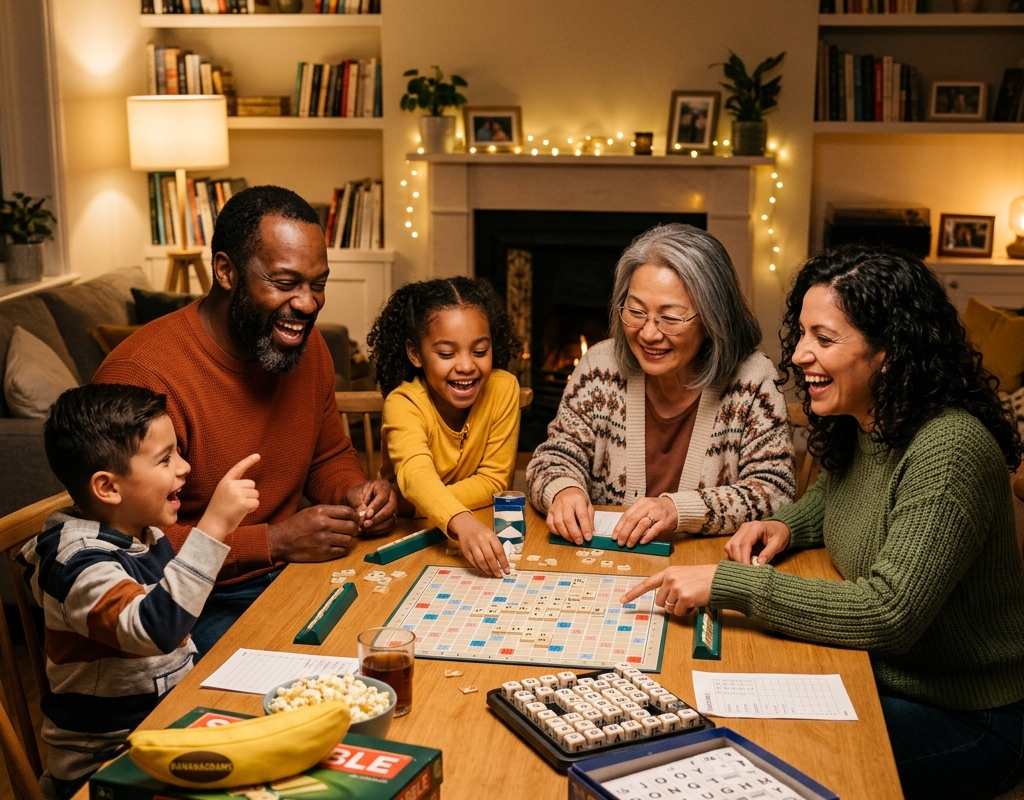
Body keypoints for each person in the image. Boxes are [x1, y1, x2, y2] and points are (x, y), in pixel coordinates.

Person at [622, 247, 1024, 800]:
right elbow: (837, 496)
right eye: (803, 333)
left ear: (889, 351)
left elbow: (888, 615)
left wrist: (727, 583)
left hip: (969, 716)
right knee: (713, 704)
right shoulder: (873, 422)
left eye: (825, 339)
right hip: (887, 675)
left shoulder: (949, 448)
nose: (801, 354)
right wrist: (783, 524)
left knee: (738, 749)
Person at [94, 185, 396, 655]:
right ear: (226, 271)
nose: (308, 303)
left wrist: (353, 494)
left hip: (292, 573)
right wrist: (273, 540)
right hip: (187, 603)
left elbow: (328, 453)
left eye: (318, 284)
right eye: (284, 282)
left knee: (400, 640)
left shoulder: (307, 349)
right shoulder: (141, 378)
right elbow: (122, 546)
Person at [18, 383, 259, 800]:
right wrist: (213, 528)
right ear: (109, 488)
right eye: (165, 459)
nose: (184, 468)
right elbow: (155, 628)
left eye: (177, 453)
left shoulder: (139, 530)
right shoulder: (78, 563)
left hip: (166, 724)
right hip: (101, 766)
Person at [527, 223, 795, 548]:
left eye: (670, 318)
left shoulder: (753, 380)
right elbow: (551, 458)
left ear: (713, 318)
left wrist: (677, 510)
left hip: (703, 568)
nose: (649, 334)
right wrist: (563, 489)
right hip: (605, 561)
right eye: (636, 312)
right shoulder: (600, 366)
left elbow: (775, 492)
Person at [368, 277, 522, 577]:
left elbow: (494, 481)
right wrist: (460, 521)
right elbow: (415, 476)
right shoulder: (403, 403)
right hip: (402, 536)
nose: (466, 366)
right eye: (447, 354)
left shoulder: (504, 388)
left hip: (452, 525)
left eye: (479, 351)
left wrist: (410, 503)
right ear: (415, 353)